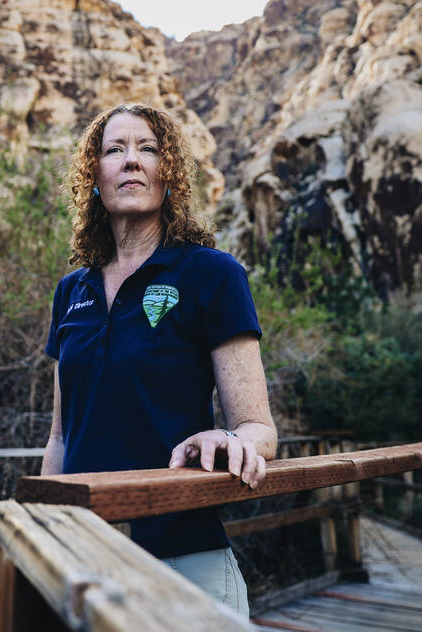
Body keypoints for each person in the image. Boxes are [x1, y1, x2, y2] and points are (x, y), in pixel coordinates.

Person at [41, 102, 276, 618]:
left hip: (183, 557)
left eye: (148, 148)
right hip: (84, 560)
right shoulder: (70, 291)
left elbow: (259, 427)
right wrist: (43, 536)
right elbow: (61, 435)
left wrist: (229, 440)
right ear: (94, 178)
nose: (131, 161)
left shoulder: (211, 274)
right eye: (114, 150)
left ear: (168, 174)